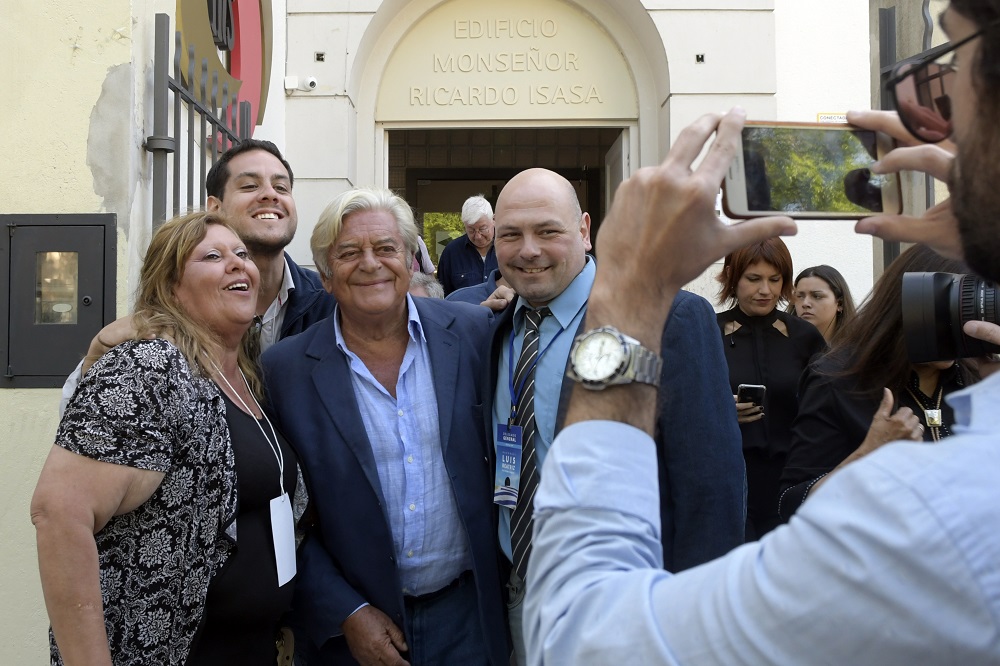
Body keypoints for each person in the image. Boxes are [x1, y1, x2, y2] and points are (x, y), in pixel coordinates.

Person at [524, 3, 1000, 663]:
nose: (929, 106)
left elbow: (581, 635)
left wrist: (630, 297)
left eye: (948, 61)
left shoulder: (930, 513)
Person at [487, 167, 744, 664]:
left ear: (585, 230)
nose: (528, 250)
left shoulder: (669, 316)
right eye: (510, 235)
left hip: (634, 606)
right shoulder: (497, 328)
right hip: (520, 597)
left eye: (548, 231)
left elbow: (712, 488)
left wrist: (694, 623)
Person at [32, 211, 306, 664]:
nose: (238, 264)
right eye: (213, 256)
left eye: (241, 254)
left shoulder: (247, 376)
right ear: (171, 287)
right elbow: (58, 515)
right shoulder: (151, 367)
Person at [260, 187, 508, 665]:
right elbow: (278, 518)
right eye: (349, 253)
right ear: (326, 277)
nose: (370, 263)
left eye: (386, 248)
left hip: (469, 617)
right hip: (352, 631)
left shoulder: (473, 334)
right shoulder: (285, 370)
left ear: (411, 260)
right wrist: (345, 610)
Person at [60, 139, 336, 411]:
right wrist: (96, 357)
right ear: (215, 207)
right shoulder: (168, 324)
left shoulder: (332, 305)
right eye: (250, 186)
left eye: (281, 187)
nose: (270, 195)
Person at [779, 244, 978, 519]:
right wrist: (868, 454)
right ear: (911, 305)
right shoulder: (837, 379)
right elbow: (794, 504)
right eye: (952, 310)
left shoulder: (976, 377)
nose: (963, 327)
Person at [716, 238, 826, 539]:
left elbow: (826, 407)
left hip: (793, 477)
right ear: (731, 277)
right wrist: (721, 411)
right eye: (754, 279)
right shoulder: (709, 332)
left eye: (774, 280)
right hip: (731, 477)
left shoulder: (804, 336)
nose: (766, 290)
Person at [436, 194, 499, 295]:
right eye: (471, 230)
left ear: (494, 220)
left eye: (483, 229)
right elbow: (443, 296)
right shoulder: (452, 253)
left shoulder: (507, 247)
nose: (478, 236)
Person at [787, 264, 856, 344]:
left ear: (840, 303)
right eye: (800, 296)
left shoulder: (860, 350)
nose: (805, 303)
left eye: (817, 296)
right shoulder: (781, 346)